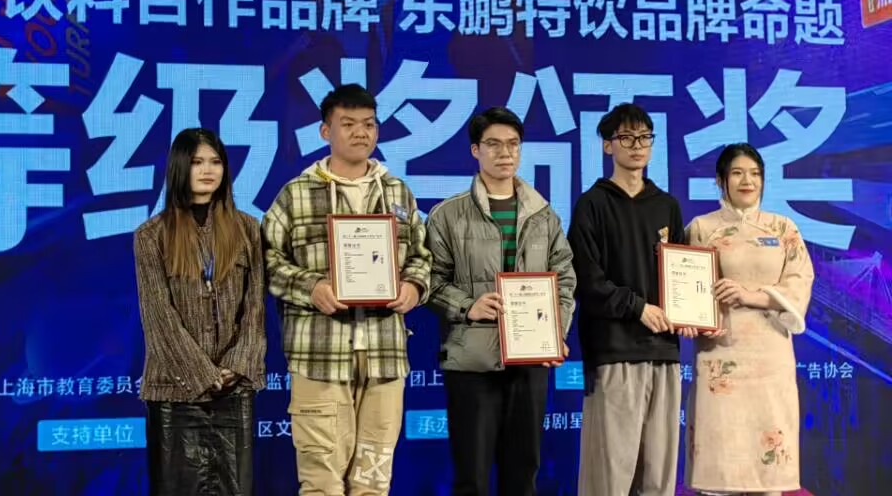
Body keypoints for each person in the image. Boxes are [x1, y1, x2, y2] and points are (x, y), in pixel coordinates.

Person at [262, 83, 432, 496]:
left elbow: (422, 256)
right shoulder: (296, 194)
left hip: (384, 356)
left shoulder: (397, 192)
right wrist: (311, 287)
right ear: (326, 131)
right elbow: (265, 262)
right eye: (348, 124)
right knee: (321, 482)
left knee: (374, 482)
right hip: (319, 356)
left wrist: (413, 287)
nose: (361, 132)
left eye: (369, 124)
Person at [427, 106, 576, 496]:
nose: (504, 153)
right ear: (475, 150)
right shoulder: (448, 215)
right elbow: (428, 280)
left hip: (530, 363)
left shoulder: (544, 215)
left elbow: (565, 279)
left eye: (513, 144)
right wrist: (467, 306)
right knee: (472, 478)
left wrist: (555, 332)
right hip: (472, 361)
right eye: (493, 144)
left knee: (523, 475)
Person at [133, 127, 266, 496]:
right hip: (174, 392)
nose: (208, 170)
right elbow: (158, 317)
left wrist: (236, 366)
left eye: (215, 161)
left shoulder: (248, 229)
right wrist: (204, 375)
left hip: (234, 389)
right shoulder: (151, 234)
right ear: (180, 167)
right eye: (196, 162)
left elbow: (255, 308)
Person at [570, 102, 690, 496]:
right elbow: (586, 280)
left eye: (644, 138)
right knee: (612, 475)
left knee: (659, 475)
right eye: (626, 138)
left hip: (665, 351)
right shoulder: (592, 204)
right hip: (614, 352)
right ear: (608, 146)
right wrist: (637, 307)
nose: (637, 146)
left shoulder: (667, 205)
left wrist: (690, 311)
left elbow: (682, 275)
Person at [684, 143, 814, 496]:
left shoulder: (782, 227)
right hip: (719, 353)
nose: (748, 181)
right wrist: (687, 316)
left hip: (770, 356)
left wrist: (750, 296)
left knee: (768, 471)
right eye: (738, 173)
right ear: (720, 180)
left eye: (755, 174)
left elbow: (800, 280)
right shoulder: (701, 228)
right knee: (720, 465)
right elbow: (685, 282)